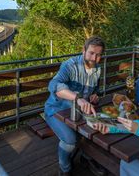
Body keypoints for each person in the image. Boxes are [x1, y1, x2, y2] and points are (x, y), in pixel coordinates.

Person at [44, 36, 105, 176]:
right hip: (57, 110)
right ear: (83, 50)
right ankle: (65, 168)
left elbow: (95, 91)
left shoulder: (98, 69)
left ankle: (87, 158)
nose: (94, 58)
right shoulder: (70, 65)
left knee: (99, 130)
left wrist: (95, 96)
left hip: (80, 112)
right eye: (91, 53)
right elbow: (53, 85)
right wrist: (78, 99)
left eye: (98, 55)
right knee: (71, 141)